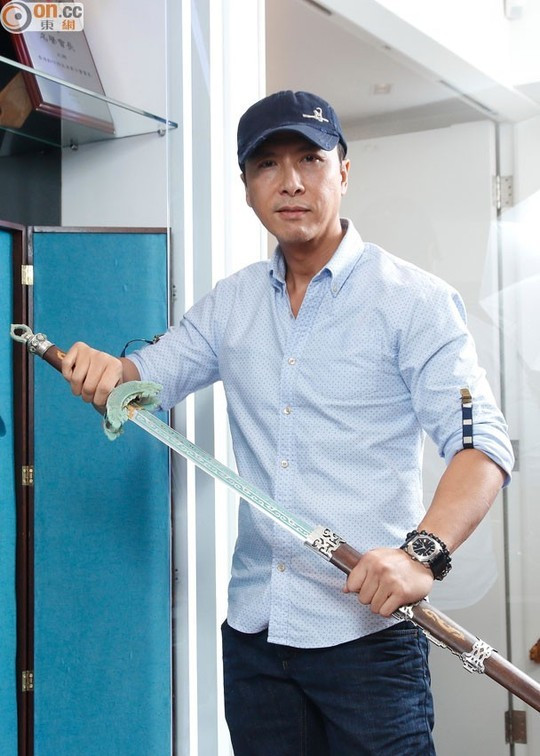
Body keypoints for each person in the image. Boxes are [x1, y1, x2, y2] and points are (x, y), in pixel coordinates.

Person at [61, 90, 514, 755]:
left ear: (343, 171)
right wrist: (108, 371)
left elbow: (481, 447)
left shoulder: (414, 302)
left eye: (310, 158)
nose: (291, 181)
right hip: (257, 639)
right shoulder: (232, 304)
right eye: (268, 164)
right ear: (247, 185)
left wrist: (422, 553)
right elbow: (146, 378)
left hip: (367, 639)